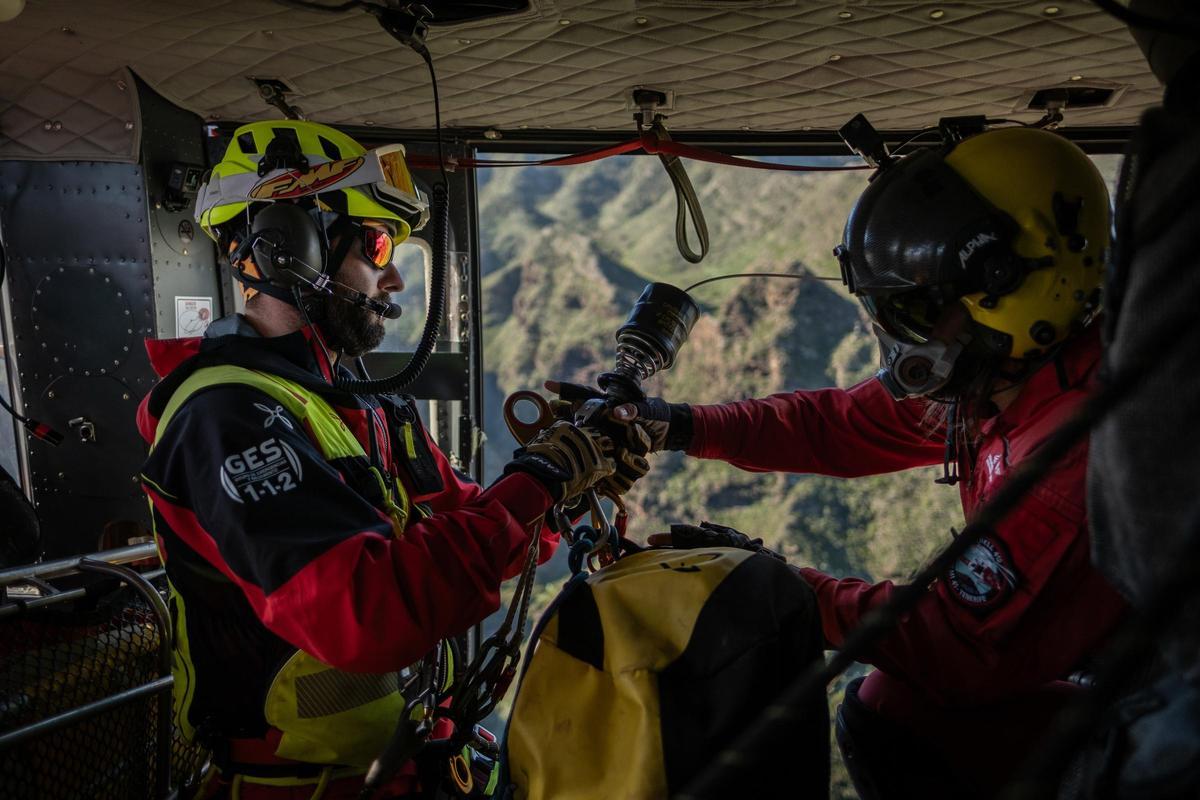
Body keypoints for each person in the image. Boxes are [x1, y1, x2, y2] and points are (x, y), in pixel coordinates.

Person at [551, 124, 1128, 798]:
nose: (903, 339)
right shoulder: (1012, 373)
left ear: (1014, 288)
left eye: (919, 311)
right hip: (1089, 672)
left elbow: (951, 647)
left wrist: (777, 592)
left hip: (1155, 709)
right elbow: (843, 425)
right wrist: (676, 425)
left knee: (886, 711)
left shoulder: (1084, 448)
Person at [137, 120, 631, 799]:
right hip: (300, 789)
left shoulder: (362, 407)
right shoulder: (226, 419)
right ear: (290, 244)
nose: (394, 275)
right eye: (376, 245)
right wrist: (535, 482)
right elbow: (369, 616)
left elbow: (477, 533)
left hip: (410, 759)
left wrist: (560, 487)